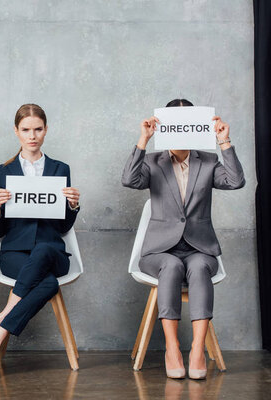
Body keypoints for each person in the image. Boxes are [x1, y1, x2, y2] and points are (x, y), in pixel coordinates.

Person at [122, 99, 245, 379]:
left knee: (199, 267)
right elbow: (129, 180)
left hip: (199, 248)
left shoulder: (209, 160)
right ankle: (173, 348)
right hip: (158, 253)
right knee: (173, 267)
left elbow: (236, 181)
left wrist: (224, 142)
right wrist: (143, 140)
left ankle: (198, 350)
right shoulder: (152, 162)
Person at [0, 104, 80, 379]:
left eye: (38, 129)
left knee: (44, 248)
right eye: (26, 130)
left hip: (53, 252)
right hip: (15, 253)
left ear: (46, 130)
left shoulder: (60, 168)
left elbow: (64, 225)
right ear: (16, 131)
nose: (32, 136)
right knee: (48, 284)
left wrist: (73, 206)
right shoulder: (3, 171)